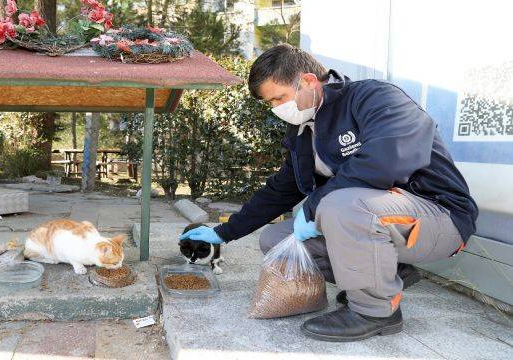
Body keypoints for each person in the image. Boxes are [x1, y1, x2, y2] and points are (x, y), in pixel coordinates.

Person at [179, 44, 478, 342]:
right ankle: (390, 272)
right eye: (270, 103)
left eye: (279, 98)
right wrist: (223, 232)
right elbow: (280, 190)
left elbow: (388, 159)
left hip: (440, 217)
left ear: (308, 81)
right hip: (382, 219)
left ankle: (376, 311)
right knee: (276, 239)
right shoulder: (303, 131)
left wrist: (315, 207)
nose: (277, 109)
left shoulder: (374, 97)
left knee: (339, 205)